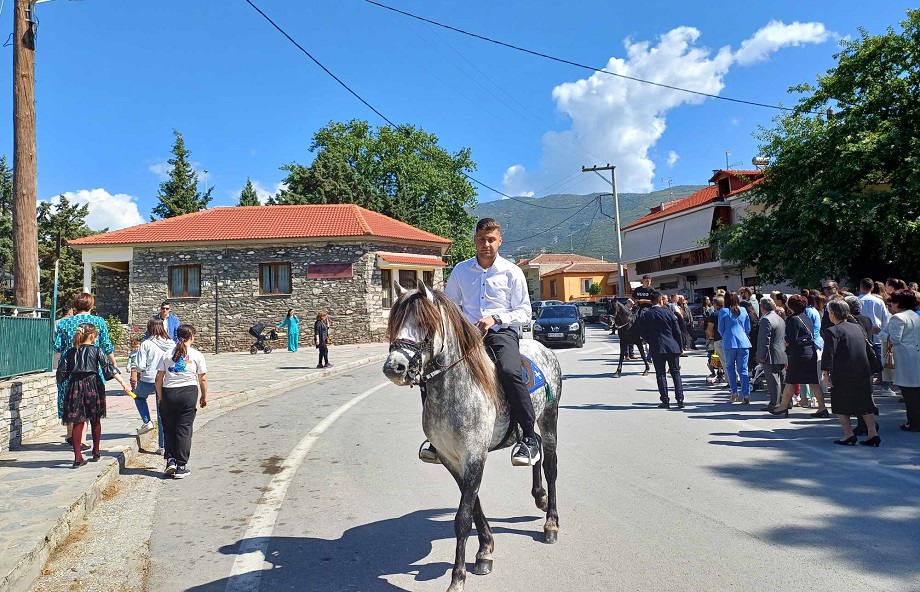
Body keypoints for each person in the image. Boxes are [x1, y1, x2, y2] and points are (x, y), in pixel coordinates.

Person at [440, 217, 539, 466]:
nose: (487, 244)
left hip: (501, 332)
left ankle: (528, 436)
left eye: (491, 239)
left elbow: (525, 313)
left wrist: (495, 318)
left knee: (509, 370)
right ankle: (436, 436)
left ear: (500, 241)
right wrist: (462, 324)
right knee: (435, 368)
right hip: (467, 333)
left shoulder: (512, 272)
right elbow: (450, 305)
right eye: (482, 239)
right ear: (475, 240)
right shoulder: (461, 271)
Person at [56, 323, 131, 467]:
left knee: (78, 420)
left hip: (75, 386)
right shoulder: (97, 350)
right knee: (95, 419)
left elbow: (61, 374)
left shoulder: (71, 352)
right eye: (96, 335)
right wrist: (123, 383)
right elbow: (108, 368)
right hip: (93, 385)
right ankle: (96, 451)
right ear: (92, 336)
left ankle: (78, 457)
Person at [54, 293, 116, 448]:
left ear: (75, 305)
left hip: (69, 367)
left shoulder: (64, 323)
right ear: (91, 305)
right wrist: (112, 364)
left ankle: (70, 435)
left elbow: (57, 347)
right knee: (88, 403)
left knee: (70, 401)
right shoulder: (99, 322)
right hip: (92, 368)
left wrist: (57, 367)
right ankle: (81, 440)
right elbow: (106, 345)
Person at [823, 300, 880, 446]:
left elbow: (828, 353)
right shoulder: (857, 328)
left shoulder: (832, 331)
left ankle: (848, 434)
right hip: (863, 369)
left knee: (840, 403)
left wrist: (826, 374)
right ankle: (872, 433)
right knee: (865, 401)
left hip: (843, 372)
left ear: (832, 314)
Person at [155, 324, 208, 479]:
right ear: (192, 336)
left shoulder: (166, 354)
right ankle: (181, 466)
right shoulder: (196, 355)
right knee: (184, 429)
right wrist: (204, 396)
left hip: (169, 392)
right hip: (188, 393)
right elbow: (202, 378)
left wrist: (160, 396)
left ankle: (170, 460)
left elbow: (159, 377)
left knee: (169, 429)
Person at [772, 295, 827, 417]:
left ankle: (783, 407)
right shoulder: (807, 318)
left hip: (799, 355)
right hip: (810, 352)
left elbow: (792, 339)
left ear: (791, 306)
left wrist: (785, 341)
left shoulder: (793, 319)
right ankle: (822, 407)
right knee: (813, 381)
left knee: (791, 380)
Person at [131, 319, 174, 455]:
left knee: (139, 397)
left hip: (149, 378)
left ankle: (147, 421)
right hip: (165, 379)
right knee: (162, 412)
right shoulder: (171, 343)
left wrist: (136, 373)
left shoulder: (146, 344)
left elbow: (140, 365)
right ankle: (163, 446)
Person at [880, 289, 920, 432]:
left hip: (906, 358)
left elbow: (895, 339)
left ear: (899, 303)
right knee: (915, 391)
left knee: (909, 393)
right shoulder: (915, 316)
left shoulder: (898, 318)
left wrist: (881, 333)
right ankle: (914, 421)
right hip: (916, 355)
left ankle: (914, 422)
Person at [638, 290, 684, 409]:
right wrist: (680, 346)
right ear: (660, 301)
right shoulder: (669, 313)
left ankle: (665, 400)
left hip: (657, 347)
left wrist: (650, 341)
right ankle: (680, 399)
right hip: (673, 346)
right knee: (676, 373)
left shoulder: (646, 315)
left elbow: (642, 332)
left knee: (661, 374)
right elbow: (677, 331)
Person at [719, 292, 752, 404]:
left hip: (729, 342)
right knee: (743, 370)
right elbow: (748, 328)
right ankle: (746, 394)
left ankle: (734, 393)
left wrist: (727, 335)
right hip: (743, 342)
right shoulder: (743, 310)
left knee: (730, 368)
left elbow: (720, 328)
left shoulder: (723, 311)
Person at [757, 297, 787, 412]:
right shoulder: (780, 318)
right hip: (781, 352)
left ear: (763, 308)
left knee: (773, 380)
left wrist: (761, 355)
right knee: (782, 379)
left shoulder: (766, 319)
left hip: (771, 353)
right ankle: (786, 402)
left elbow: (765, 340)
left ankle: (775, 404)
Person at [705, 296, 726, 384]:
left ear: (716, 305)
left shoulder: (714, 314)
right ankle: (724, 375)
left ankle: (728, 378)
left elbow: (710, 328)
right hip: (728, 338)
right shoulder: (728, 312)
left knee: (722, 359)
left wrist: (710, 337)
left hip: (718, 338)